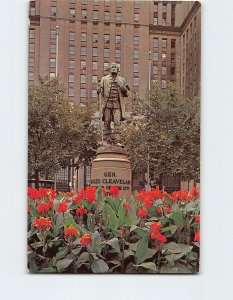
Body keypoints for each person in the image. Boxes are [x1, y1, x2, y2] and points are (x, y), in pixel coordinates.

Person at [97, 62, 129, 146]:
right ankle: (108, 140)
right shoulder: (104, 79)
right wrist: (99, 89)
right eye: (112, 67)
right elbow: (101, 89)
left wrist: (121, 86)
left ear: (118, 69)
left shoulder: (122, 80)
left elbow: (126, 93)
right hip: (107, 104)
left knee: (117, 122)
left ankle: (117, 140)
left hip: (117, 104)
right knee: (107, 121)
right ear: (109, 69)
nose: (114, 68)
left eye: (115, 67)